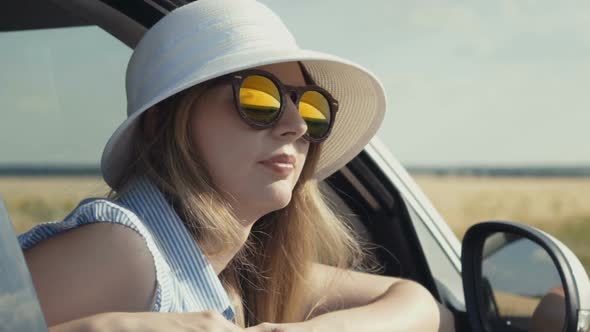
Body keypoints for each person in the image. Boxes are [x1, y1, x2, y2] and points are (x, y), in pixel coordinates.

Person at [19, 0, 455, 331]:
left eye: (312, 107)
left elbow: (422, 306)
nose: (297, 125)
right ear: (163, 123)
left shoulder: (238, 270)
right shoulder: (125, 252)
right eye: (259, 98)